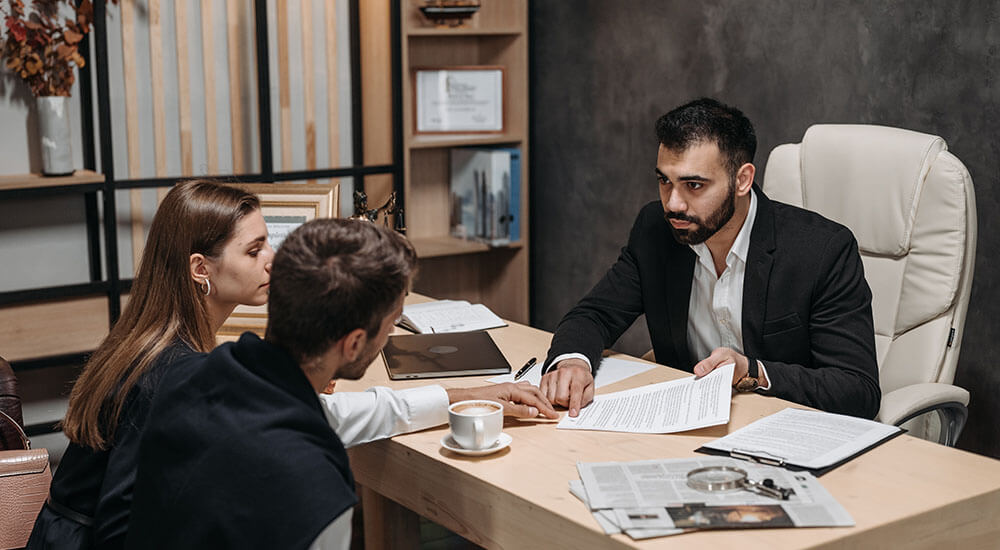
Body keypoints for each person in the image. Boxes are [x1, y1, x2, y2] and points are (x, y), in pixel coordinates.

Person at [29, 181, 554, 549]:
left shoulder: (187, 353)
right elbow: (123, 527)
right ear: (200, 269)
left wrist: (454, 396)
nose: (271, 261)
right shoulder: (173, 373)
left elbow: (309, 417)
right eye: (255, 249)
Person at [126, 218, 517, 547]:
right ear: (354, 343)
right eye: (393, 323)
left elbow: (336, 414)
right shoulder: (316, 488)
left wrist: (460, 396)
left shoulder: (191, 377)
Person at [539, 98, 880, 419]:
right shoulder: (656, 230)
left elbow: (856, 390)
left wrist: (754, 371)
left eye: (694, 185)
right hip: (689, 425)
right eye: (664, 181)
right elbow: (595, 314)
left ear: (742, 180)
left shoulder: (822, 251)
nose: (673, 203)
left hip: (788, 431)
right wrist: (573, 361)